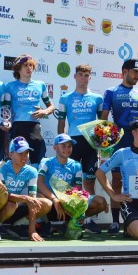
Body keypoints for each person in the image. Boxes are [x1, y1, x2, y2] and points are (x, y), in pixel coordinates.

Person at [100, 58, 138, 236]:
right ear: (124, 71)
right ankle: (114, 222)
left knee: (136, 181)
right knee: (117, 180)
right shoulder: (111, 92)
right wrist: (104, 144)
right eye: (135, 72)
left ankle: (134, 219)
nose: (137, 75)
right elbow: (104, 120)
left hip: (136, 142)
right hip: (118, 141)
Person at [37, 134, 108, 236]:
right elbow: (39, 183)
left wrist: (70, 202)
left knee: (100, 202)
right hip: (51, 203)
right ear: (55, 147)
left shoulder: (76, 165)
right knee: (39, 197)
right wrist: (54, 199)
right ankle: (45, 224)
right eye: (63, 146)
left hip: (67, 204)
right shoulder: (46, 162)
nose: (67, 149)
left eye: (69, 146)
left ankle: (71, 222)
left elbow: (77, 189)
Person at [0, 137, 52, 241]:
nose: (24, 156)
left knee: (46, 203)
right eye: (20, 153)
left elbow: (32, 200)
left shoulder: (32, 171)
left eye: (26, 153)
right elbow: (3, 195)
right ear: (11, 155)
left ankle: (18, 225)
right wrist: (25, 198)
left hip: (15, 206)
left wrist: (32, 230)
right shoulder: (0, 167)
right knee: (10, 204)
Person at [56, 64, 103, 195]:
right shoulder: (65, 98)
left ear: (90, 78)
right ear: (75, 76)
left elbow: (101, 124)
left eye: (86, 75)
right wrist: (61, 143)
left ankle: (90, 214)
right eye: (80, 75)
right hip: (72, 142)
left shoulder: (98, 99)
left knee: (89, 182)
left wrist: (100, 146)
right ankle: (70, 213)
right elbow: (61, 122)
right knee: (71, 181)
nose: (83, 78)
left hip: (91, 143)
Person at [0, 54, 54, 165]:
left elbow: (51, 107)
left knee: (37, 163)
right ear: (18, 68)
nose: (29, 68)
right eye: (25, 65)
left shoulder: (40, 85)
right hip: (17, 127)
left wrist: (44, 112)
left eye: (31, 65)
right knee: (16, 163)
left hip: (35, 128)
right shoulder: (9, 86)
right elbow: (6, 109)